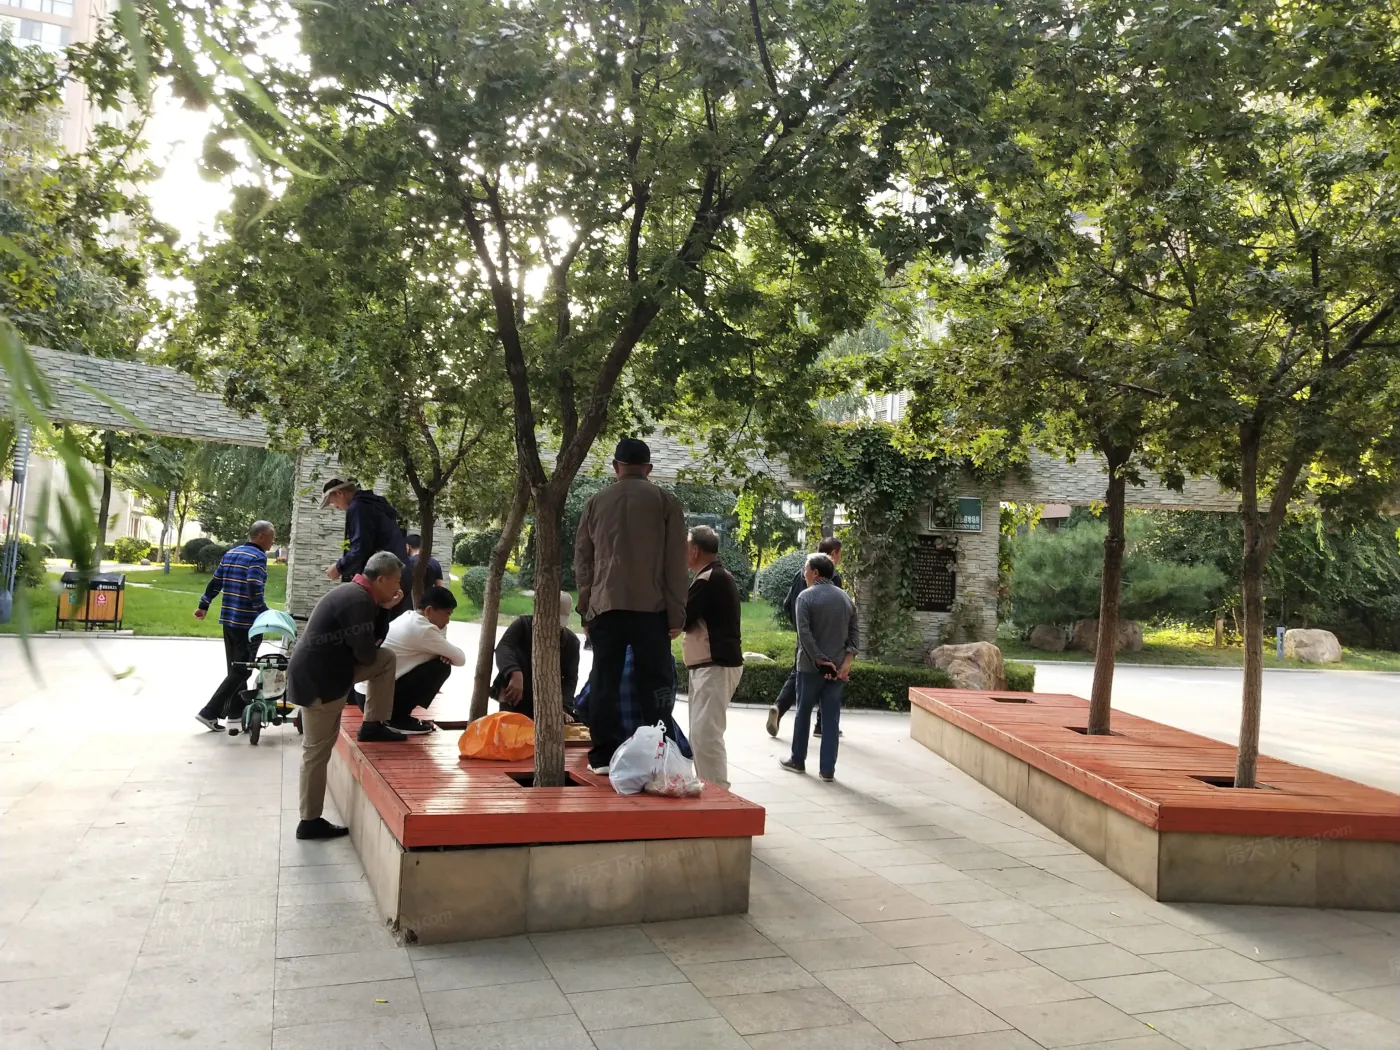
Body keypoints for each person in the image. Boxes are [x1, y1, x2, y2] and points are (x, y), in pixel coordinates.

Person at [573, 438, 688, 774]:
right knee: (656, 682)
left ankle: (602, 756)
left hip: (605, 608)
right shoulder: (666, 502)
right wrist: (677, 614)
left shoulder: (596, 502)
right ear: (649, 468)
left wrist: (586, 607)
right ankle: (657, 751)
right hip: (652, 610)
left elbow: (583, 560)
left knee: (604, 680)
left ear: (616, 467)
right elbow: (675, 564)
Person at [290, 551, 405, 841]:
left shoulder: (356, 594)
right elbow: (366, 655)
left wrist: (385, 608)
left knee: (387, 658)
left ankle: (373, 724)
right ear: (381, 579)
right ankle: (309, 822)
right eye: (396, 581)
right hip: (321, 682)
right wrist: (382, 613)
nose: (398, 586)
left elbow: (371, 650)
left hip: (324, 675)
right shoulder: (359, 601)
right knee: (316, 751)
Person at [780, 552, 858, 783]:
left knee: (803, 713)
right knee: (831, 719)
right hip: (838, 669)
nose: (803, 575)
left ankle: (798, 759)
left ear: (815, 573)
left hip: (809, 668)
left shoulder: (805, 597)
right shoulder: (846, 599)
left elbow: (804, 634)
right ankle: (827, 770)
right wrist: (846, 663)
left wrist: (819, 659)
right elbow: (855, 635)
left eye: (805, 570)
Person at [194, 521, 276, 732]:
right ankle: (209, 712)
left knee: (235, 668)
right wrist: (263, 612)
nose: (273, 541)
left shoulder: (231, 554)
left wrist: (204, 605)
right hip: (247, 624)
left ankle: (235, 711)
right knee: (242, 670)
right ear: (261, 536)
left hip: (229, 622)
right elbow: (253, 586)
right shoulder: (258, 557)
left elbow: (216, 582)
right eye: (271, 537)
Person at [354, 584, 464, 733]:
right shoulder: (424, 630)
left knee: (436, 661)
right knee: (441, 667)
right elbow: (460, 659)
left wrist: (442, 649)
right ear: (429, 611)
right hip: (376, 701)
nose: (448, 621)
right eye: (446, 614)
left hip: (364, 696)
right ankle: (397, 719)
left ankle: (395, 715)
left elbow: (445, 648)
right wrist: (442, 652)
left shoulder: (409, 616)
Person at [682, 525, 743, 788]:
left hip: (715, 666)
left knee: (706, 735)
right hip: (708, 666)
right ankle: (709, 788)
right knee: (700, 735)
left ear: (695, 550)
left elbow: (682, 618)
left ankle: (718, 793)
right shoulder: (712, 576)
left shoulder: (709, 579)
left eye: (685, 547)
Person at [766, 536, 844, 738]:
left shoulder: (800, 573)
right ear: (833, 554)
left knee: (798, 673)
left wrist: (800, 628)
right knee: (828, 676)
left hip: (803, 637)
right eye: (839, 554)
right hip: (826, 638)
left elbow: (787, 605)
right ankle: (821, 725)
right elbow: (839, 611)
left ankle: (779, 707)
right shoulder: (833, 579)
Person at [320, 477, 410, 616]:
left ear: (340, 493)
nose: (336, 507)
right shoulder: (375, 504)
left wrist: (338, 568)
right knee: (391, 623)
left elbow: (360, 548)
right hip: (398, 574)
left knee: (370, 622)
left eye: (333, 502)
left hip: (383, 577)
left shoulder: (358, 507)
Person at [491, 592, 580, 719]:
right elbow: (503, 648)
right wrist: (514, 672)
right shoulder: (522, 626)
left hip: (548, 700)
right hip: (515, 694)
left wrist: (563, 707)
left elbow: (570, 679)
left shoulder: (571, 642)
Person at [402, 532, 444, 607]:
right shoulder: (435, 563)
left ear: (407, 547)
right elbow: (440, 588)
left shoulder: (406, 563)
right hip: (428, 605)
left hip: (408, 605)